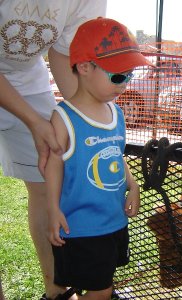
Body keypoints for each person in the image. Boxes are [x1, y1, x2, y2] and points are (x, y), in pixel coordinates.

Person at [0, 1, 107, 299]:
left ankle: (56, 290)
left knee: (48, 183)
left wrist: (86, 118)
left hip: (26, 82)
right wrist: (34, 121)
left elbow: (62, 51)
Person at [45, 17, 151, 300]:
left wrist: (133, 184)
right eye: (118, 76)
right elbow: (53, 164)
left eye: (129, 75)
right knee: (101, 290)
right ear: (84, 67)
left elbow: (116, 155)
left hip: (114, 222)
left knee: (101, 281)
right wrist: (52, 208)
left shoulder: (116, 114)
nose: (125, 84)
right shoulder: (64, 117)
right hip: (81, 227)